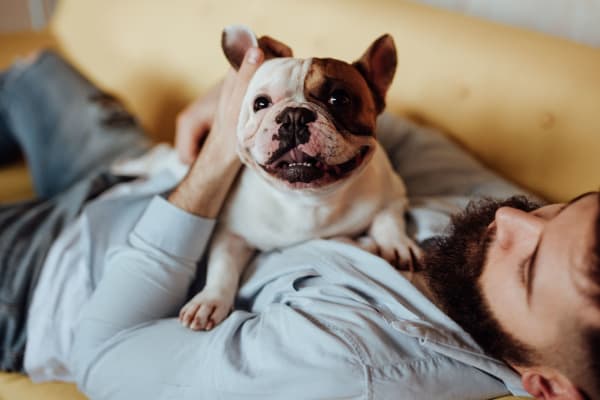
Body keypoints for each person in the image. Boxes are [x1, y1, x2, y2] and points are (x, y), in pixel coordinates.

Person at [0, 47, 597, 400]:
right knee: (36, 72)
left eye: (528, 265)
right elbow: (388, 127)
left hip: (46, 277)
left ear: (546, 387)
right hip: (141, 172)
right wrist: (238, 100)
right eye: (556, 208)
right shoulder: (499, 223)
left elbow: (100, 357)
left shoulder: (347, 361)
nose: (511, 217)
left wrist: (218, 159)